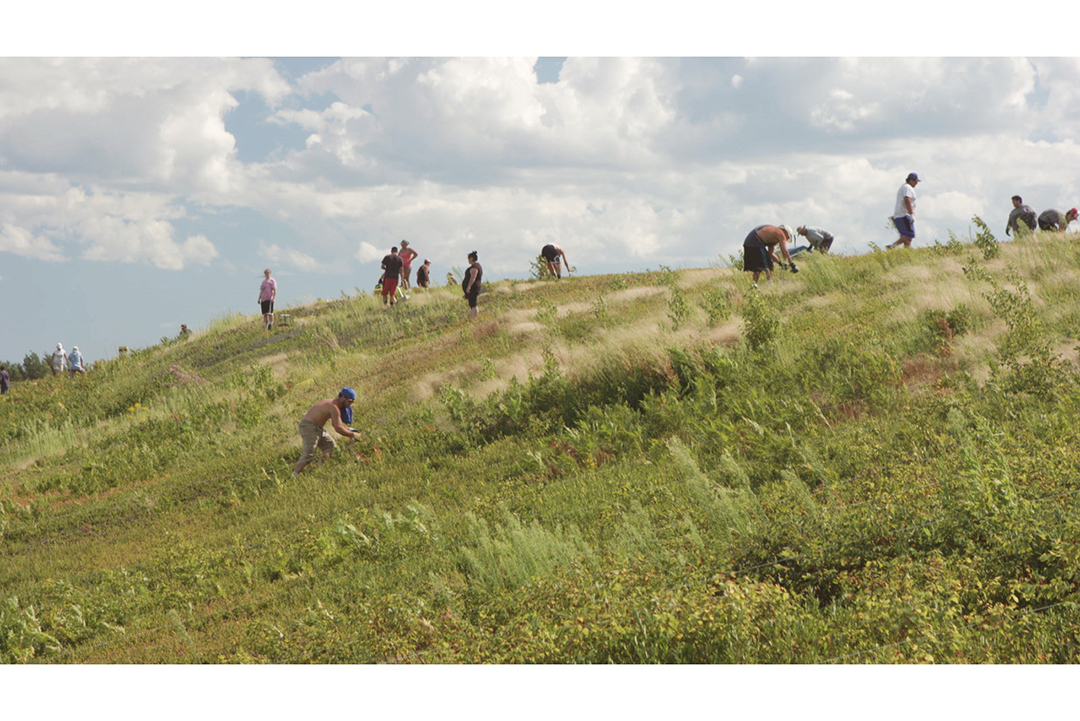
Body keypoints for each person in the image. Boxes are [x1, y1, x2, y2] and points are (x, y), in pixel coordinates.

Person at [293, 388, 360, 477]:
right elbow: (338, 428)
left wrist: (350, 430)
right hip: (308, 427)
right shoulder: (333, 407)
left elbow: (339, 424)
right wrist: (352, 435)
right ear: (343, 398)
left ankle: (320, 471)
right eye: (350, 401)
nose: (350, 404)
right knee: (309, 455)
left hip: (317, 428)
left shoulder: (334, 405)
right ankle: (293, 477)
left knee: (330, 447)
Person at [886, 172, 920, 249]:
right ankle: (893, 246)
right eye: (915, 181)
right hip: (903, 215)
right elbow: (907, 199)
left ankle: (907, 252)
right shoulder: (907, 188)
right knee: (909, 234)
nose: (916, 183)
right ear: (911, 180)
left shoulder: (905, 187)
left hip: (902, 215)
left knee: (907, 237)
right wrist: (911, 213)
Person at [462, 250, 483, 318]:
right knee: (472, 304)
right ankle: (472, 316)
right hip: (472, 287)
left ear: (471, 258)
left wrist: (469, 287)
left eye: (469, 258)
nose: (468, 260)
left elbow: (473, 277)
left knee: (473, 304)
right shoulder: (475, 266)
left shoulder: (475, 267)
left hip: (473, 288)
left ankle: (474, 317)